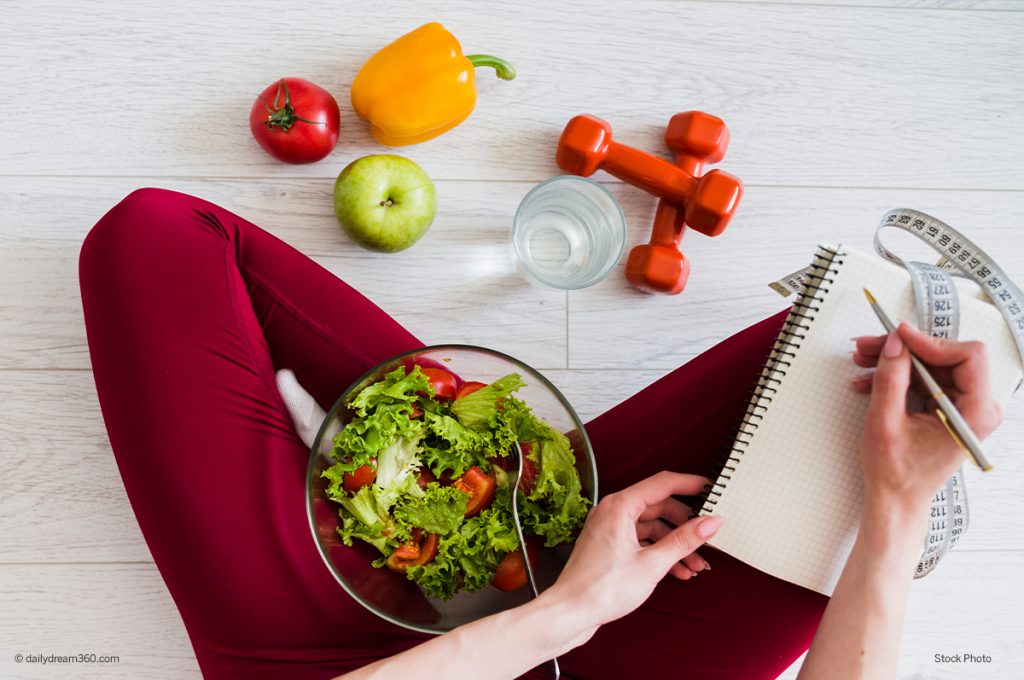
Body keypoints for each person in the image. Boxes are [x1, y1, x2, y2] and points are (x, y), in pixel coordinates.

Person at [79, 188, 1003, 680]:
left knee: (157, 237)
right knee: (879, 363)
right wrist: (898, 503)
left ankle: (477, 482)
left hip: (326, 663)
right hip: (614, 663)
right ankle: (495, 493)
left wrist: (563, 606)